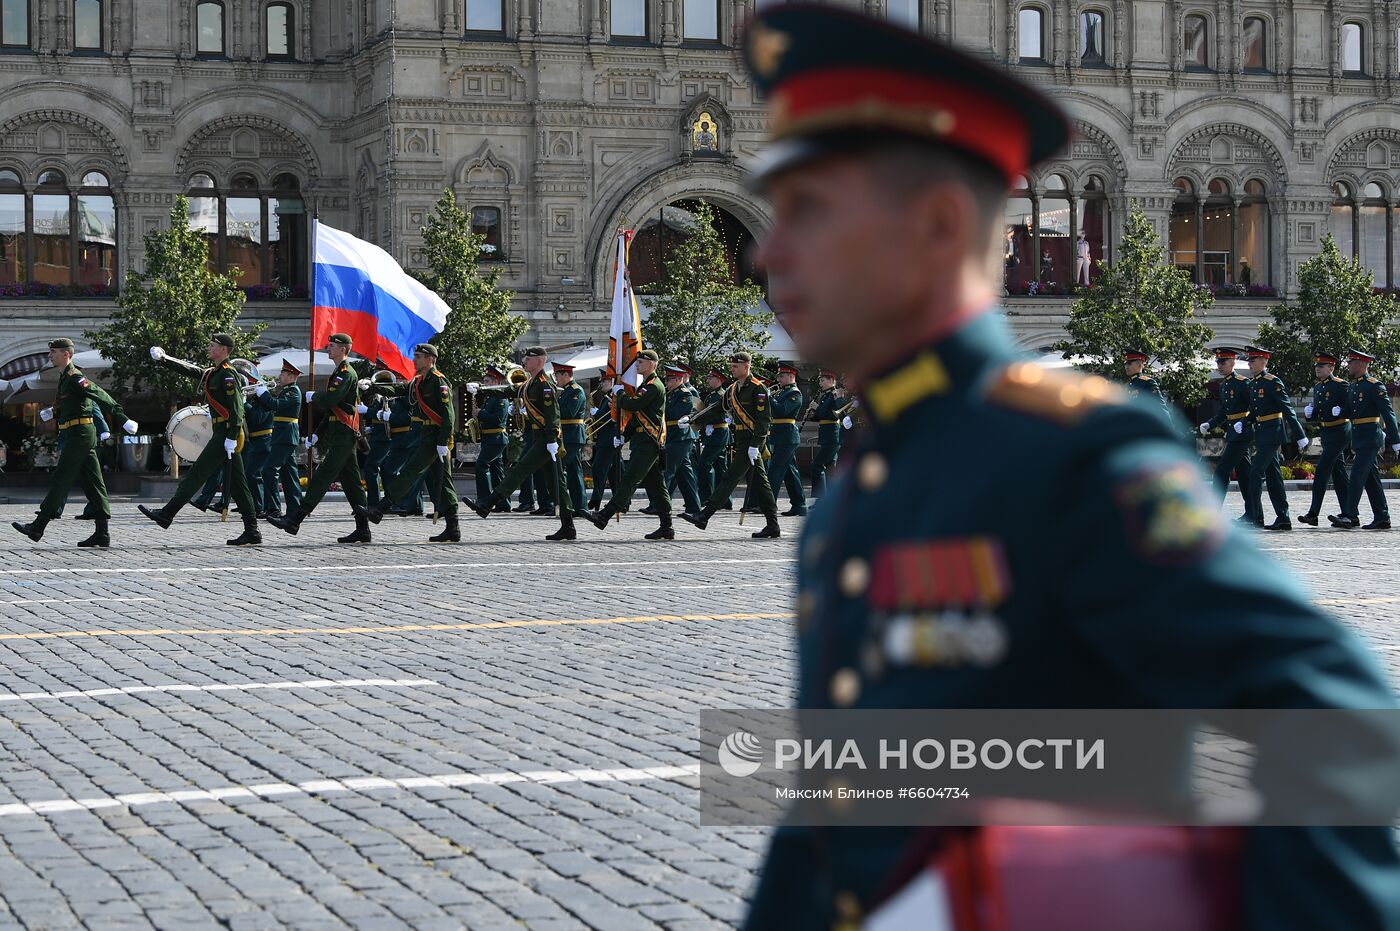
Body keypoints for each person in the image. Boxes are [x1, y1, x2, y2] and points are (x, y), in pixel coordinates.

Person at [737, 5, 1400, 929]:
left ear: (934, 224)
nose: (768, 249)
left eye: (808, 208)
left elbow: (1334, 718)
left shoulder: (1071, 453)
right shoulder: (863, 485)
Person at [12, 338, 137, 548]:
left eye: (53, 352)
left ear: (66, 354)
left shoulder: (75, 376)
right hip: (76, 432)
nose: (50, 356)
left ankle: (38, 526)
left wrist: (122, 418)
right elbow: (72, 404)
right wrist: (53, 411)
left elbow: (99, 394)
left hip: (80, 433)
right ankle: (102, 533)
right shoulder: (64, 378)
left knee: (61, 477)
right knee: (93, 482)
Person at [138, 335, 260, 546]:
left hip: (225, 434)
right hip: (220, 431)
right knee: (239, 485)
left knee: (197, 474)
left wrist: (231, 437)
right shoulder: (214, 373)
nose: (208, 347)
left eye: (212, 346)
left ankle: (168, 513)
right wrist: (165, 359)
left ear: (223, 349)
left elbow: (237, 409)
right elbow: (191, 370)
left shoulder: (228, 375)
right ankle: (252, 531)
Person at [265, 333, 371, 543]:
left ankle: (295, 519)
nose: (328, 348)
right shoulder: (338, 372)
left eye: (331, 346)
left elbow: (332, 399)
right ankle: (363, 529)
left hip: (344, 434)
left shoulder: (345, 373)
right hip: (340, 431)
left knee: (323, 475)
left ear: (343, 349)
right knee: (351, 483)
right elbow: (336, 409)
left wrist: (316, 396)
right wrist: (318, 432)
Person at [463, 347, 576, 541]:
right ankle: (568, 526)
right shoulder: (529, 383)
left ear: (539, 361)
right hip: (542, 438)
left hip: (546, 439)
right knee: (557, 483)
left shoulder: (544, 384)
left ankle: (488, 503)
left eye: (528, 358)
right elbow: (508, 390)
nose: (524, 361)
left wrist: (551, 440)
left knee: (521, 469)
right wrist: (481, 389)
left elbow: (552, 415)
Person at [361, 344, 460, 542]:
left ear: (430, 359)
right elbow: (399, 387)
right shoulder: (418, 382)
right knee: (442, 480)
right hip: (425, 434)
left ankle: (380, 508)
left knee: (410, 471)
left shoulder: (438, 381)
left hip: (434, 437)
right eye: (415, 356)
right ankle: (453, 527)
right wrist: (372, 386)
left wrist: (442, 441)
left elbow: (449, 415)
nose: (414, 360)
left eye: (419, 357)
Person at [678, 351, 780, 538]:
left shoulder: (758, 389)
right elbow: (717, 408)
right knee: (762, 483)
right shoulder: (733, 389)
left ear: (746, 366)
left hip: (751, 441)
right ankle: (773, 525)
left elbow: (764, 420)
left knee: (729, 478)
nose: (731, 369)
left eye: (735, 366)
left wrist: (756, 445)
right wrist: (693, 418)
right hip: (742, 441)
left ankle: (704, 516)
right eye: (731, 366)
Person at [582, 350, 675, 540]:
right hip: (642, 440)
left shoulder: (654, 386)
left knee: (629, 478)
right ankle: (667, 527)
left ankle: (604, 516)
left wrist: (620, 393)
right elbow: (638, 418)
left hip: (649, 443)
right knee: (657, 485)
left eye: (641, 362)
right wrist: (626, 436)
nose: (637, 365)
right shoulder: (646, 385)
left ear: (652, 365)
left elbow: (633, 406)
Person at [1243, 345, 1308, 531]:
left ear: (1264, 361)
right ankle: (1283, 517)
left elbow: (1287, 409)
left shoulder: (1273, 382)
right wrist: (1245, 421)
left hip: (1273, 433)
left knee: (1255, 472)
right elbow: (1256, 410)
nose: (1250, 363)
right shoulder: (1253, 383)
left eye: (1253, 360)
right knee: (1274, 477)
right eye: (1249, 360)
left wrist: (1300, 435)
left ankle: (1254, 516)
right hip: (1262, 432)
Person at [1333, 348, 1400, 530]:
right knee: (1371, 480)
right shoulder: (1354, 386)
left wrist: (1395, 439)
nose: (1349, 365)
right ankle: (1382, 517)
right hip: (1359, 437)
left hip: (1371, 438)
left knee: (1356, 476)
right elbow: (1350, 410)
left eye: (1352, 362)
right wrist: (1339, 411)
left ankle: (1349, 515)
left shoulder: (1374, 386)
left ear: (1362, 364)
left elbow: (1388, 413)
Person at [1298, 352, 1351, 526]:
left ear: (1331, 368)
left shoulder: (1341, 385)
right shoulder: (1319, 387)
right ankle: (1349, 514)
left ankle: (1313, 514)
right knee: (1339, 474)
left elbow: (1352, 408)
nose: (1317, 369)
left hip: (1340, 432)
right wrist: (1309, 415)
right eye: (1317, 366)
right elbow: (1320, 412)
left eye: (1321, 366)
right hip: (1326, 433)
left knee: (1321, 471)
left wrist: (1342, 412)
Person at [251, 358, 302, 519]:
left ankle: (273, 508)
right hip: (282, 434)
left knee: (269, 469)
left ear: (292, 376)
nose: (280, 376)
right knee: (289, 474)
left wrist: (264, 393)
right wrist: (258, 396)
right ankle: (296, 509)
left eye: (283, 374)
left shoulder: (293, 391)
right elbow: (270, 406)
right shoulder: (286, 390)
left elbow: (276, 405)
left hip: (286, 435)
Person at [660, 362, 704, 518]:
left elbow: (676, 413)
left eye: (669, 380)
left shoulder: (684, 393)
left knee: (668, 470)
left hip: (682, 436)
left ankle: (660, 505)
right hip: (674, 435)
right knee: (684, 474)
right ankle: (694, 506)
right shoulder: (672, 393)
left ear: (678, 379)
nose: (666, 383)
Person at [768, 360, 808, 517]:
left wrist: (769, 398)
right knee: (790, 473)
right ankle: (799, 505)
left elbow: (781, 411)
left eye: (782, 376)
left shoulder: (794, 393)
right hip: (780, 435)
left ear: (792, 376)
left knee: (775, 471)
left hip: (787, 437)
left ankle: (768, 504)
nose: (779, 379)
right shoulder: (783, 392)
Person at [808, 368, 852, 500]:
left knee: (817, 465)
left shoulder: (834, 395)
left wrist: (817, 408)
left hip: (832, 434)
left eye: (822, 380)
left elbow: (833, 416)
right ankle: (832, 499)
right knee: (830, 469)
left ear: (831, 381)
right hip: (826, 434)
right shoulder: (826, 395)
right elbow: (823, 416)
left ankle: (819, 498)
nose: (820, 383)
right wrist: (812, 415)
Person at [554, 361, 589, 516]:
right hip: (567, 434)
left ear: (566, 375)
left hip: (573, 435)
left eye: (557, 375)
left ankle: (570, 505)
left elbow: (570, 412)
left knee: (562, 469)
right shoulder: (566, 391)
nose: (556, 378)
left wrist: (552, 407)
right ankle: (579, 506)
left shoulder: (576, 391)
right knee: (574, 472)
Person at [474, 364, 511, 511]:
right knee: (497, 472)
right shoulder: (491, 397)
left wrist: (480, 413)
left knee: (481, 465)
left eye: (488, 381)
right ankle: (503, 503)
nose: (485, 384)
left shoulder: (501, 398)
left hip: (496, 438)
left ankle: (484, 499)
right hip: (490, 438)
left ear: (496, 381)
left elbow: (498, 419)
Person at [362, 370, 396, 509]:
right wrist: (370, 428)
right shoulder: (380, 399)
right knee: (385, 470)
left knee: (371, 467)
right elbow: (378, 417)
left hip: (384, 438)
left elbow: (384, 416)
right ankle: (387, 502)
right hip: (379, 436)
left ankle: (374, 502)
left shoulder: (391, 399)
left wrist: (366, 411)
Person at [587, 371, 620, 510]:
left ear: (612, 382)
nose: (601, 384)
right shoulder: (607, 397)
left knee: (598, 468)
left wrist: (597, 413)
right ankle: (621, 501)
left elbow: (614, 416)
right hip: (605, 438)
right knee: (614, 472)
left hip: (610, 438)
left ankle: (596, 500)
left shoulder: (615, 397)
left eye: (604, 382)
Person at [1122, 349, 1170, 416]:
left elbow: (1161, 409)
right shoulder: (1127, 386)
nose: (1126, 367)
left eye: (1129, 363)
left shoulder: (1148, 383)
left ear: (1140, 365)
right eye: (1125, 363)